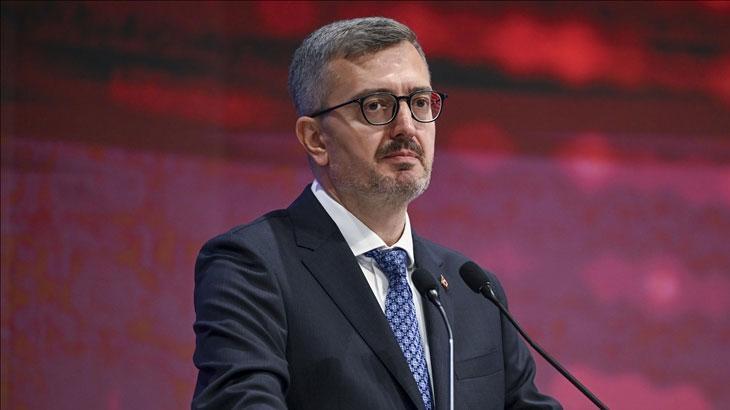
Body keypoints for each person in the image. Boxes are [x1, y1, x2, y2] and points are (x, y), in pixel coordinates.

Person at [192, 16, 561, 410]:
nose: (407, 127)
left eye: (420, 102)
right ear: (316, 139)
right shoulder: (253, 266)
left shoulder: (474, 288)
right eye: (376, 106)